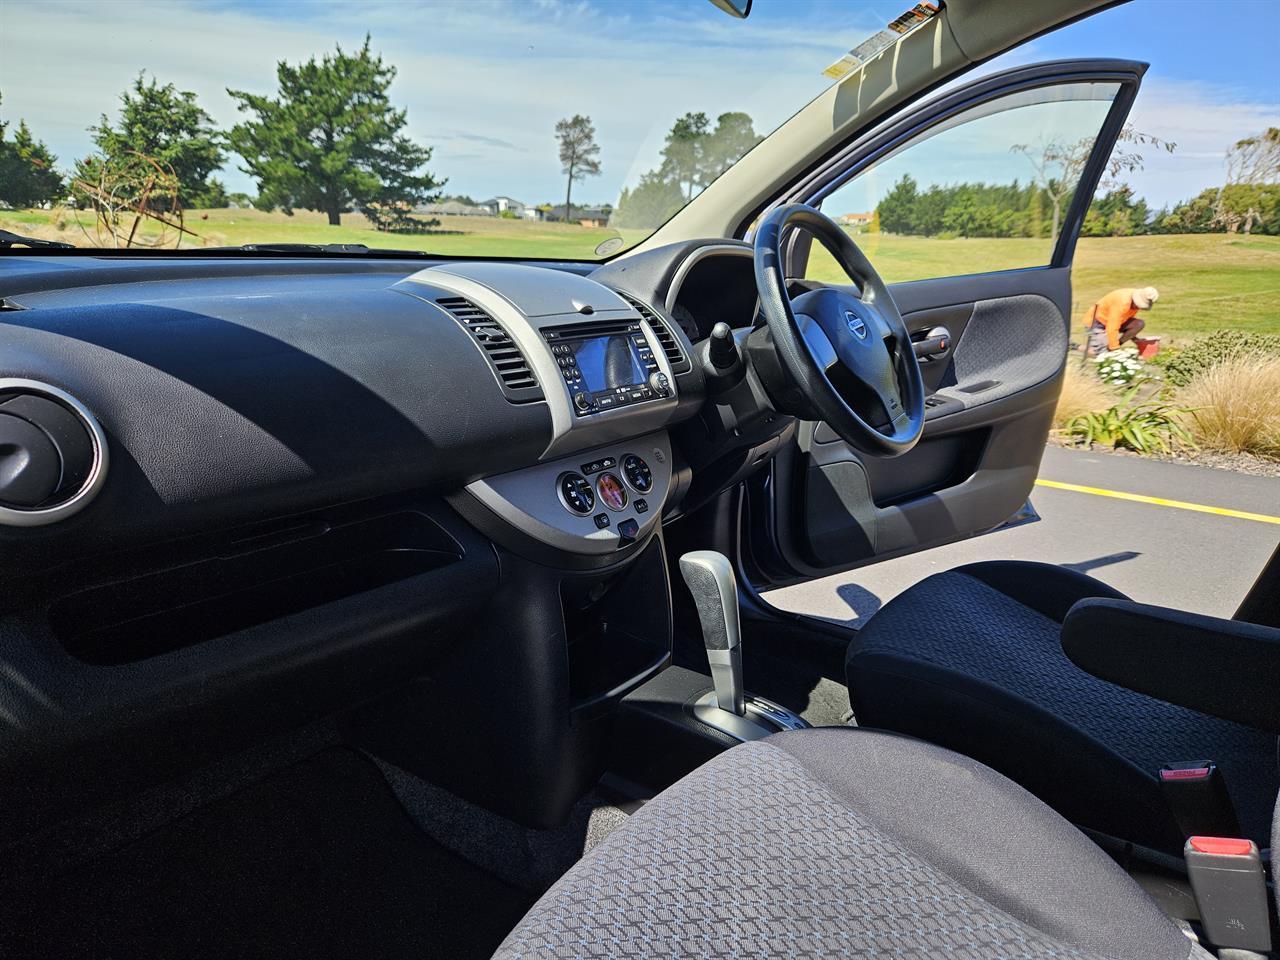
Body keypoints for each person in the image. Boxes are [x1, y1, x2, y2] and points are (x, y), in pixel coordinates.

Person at [1082, 286, 1158, 356]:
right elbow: (1112, 327)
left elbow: (1127, 319)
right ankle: (1074, 346)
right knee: (1101, 353)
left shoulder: (1135, 302)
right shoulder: (1122, 302)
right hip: (1097, 322)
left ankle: (1112, 346)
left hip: (1112, 322)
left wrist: (1135, 339)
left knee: (1139, 324)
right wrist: (1115, 349)